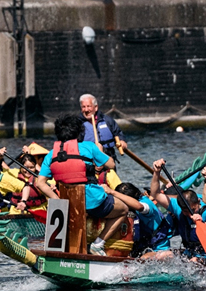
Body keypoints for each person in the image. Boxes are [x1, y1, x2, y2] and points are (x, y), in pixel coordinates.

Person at [34, 114, 129, 256]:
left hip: (67, 202)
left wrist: (58, 200)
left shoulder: (51, 154)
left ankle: (68, 250)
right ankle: (98, 244)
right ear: (79, 132)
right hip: (91, 199)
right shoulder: (89, 147)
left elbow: (40, 183)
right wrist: (100, 151)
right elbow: (111, 164)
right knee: (123, 209)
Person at [150, 158, 206, 261]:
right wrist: (157, 172)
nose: (189, 214)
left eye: (193, 210)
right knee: (163, 256)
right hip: (191, 253)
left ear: (198, 202)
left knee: (194, 261)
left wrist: (202, 223)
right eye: (185, 211)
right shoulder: (177, 206)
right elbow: (156, 194)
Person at [107, 182, 173, 260]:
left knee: (147, 257)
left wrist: (112, 192)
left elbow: (140, 207)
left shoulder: (145, 204)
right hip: (141, 247)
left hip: (158, 248)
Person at [79, 94, 126, 160]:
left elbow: (118, 133)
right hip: (88, 160)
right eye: (83, 107)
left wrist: (122, 140)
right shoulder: (77, 124)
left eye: (89, 106)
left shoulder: (107, 120)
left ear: (96, 107)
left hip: (108, 158)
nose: (86, 110)